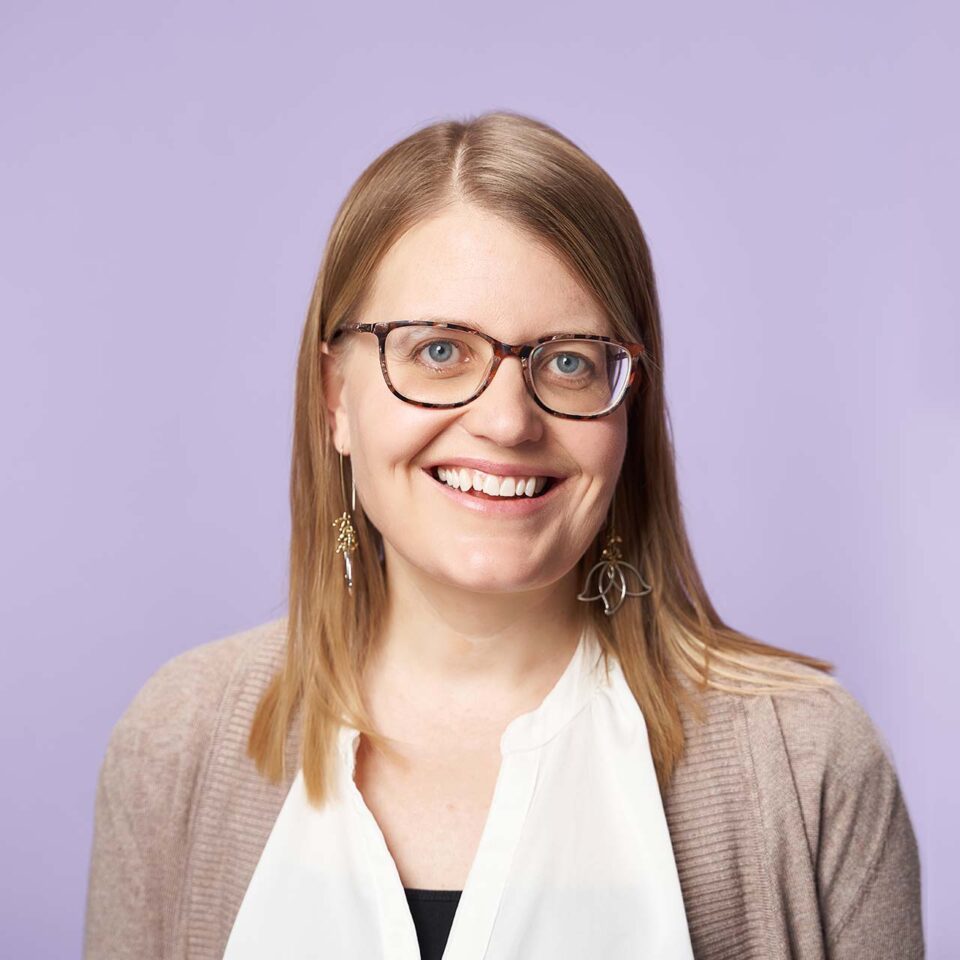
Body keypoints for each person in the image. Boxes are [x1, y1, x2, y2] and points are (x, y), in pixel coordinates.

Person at [82, 111, 924, 960]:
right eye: (440, 350)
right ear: (335, 399)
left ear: (626, 406)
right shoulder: (177, 739)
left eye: (568, 360)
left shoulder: (810, 764)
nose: (507, 422)